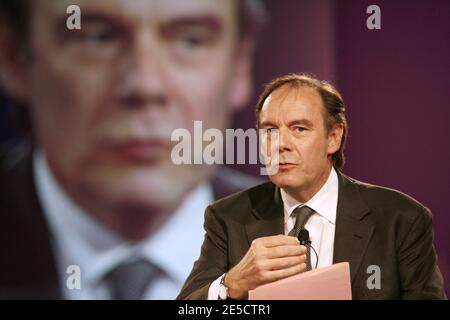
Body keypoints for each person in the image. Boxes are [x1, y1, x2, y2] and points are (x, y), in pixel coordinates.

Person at [0, 0, 264, 299]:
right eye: (96, 37)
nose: (144, 85)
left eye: (191, 40)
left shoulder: (319, 253)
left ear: (240, 64)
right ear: (13, 56)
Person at [178, 73, 446, 300]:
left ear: (333, 137)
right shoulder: (229, 217)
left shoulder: (400, 219)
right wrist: (232, 283)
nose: (280, 144)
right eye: (269, 130)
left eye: (299, 129)